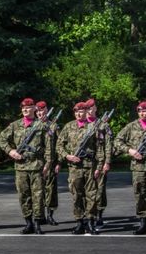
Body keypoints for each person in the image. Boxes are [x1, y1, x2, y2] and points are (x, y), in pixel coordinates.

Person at [0, 98, 51, 234]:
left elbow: (49, 147)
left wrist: (48, 164)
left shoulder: (42, 125)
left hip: (37, 165)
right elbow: (2, 138)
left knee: (38, 195)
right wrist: (11, 151)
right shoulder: (15, 125)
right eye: (23, 108)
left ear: (34, 108)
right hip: (21, 166)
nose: (25, 110)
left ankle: (38, 222)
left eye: (28, 107)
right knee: (23, 195)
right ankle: (28, 223)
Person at [114, 101, 146, 235]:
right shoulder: (131, 127)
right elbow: (117, 141)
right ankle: (143, 221)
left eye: (145, 110)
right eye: (140, 111)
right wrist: (129, 150)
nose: (142, 113)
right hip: (138, 167)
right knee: (140, 194)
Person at [57, 102, 102, 235]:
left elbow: (100, 148)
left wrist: (99, 166)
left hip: (90, 166)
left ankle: (90, 222)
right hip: (74, 168)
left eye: (81, 111)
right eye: (76, 112)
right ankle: (79, 222)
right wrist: (67, 156)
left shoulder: (93, 127)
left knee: (91, 196)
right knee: (77, 195)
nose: (78, 114)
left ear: (86, 112)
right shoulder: (68, 126)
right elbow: (59, 146)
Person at [85, 98, 113, 226]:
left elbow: (108, 144)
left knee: (100, 189)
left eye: (92, 108)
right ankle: (88, 214)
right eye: (88, 108)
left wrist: (107, 162)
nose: (90, 110)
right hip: (85, 162)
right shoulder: (81, 125)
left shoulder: (103, 125)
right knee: (86, 190)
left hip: (100, 161)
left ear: (96, 108)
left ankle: (99, 214)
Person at [36, 101, 60, 226]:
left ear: (47, 111)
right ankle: (39, 216)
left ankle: (50, 215)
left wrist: (59, 163)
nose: (41, 114)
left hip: (51, 164)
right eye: (39, 111)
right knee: (38, 191)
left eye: (43, 111)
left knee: (51, 190)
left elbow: (59, 145)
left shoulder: (53, 126)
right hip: (36, 164)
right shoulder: (32, 127)